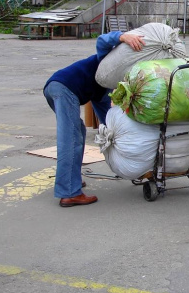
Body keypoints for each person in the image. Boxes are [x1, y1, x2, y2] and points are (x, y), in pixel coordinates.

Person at [43, 30, 145, 207]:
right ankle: (69, 193)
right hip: (63, 87)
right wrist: (123, 36)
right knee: (71, 139)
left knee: (78, 133)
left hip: (56, 87)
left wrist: (119, 134)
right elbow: (102, 41)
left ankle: (71, 181)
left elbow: (105, 115)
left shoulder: (105, 85)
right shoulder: (108, 62)